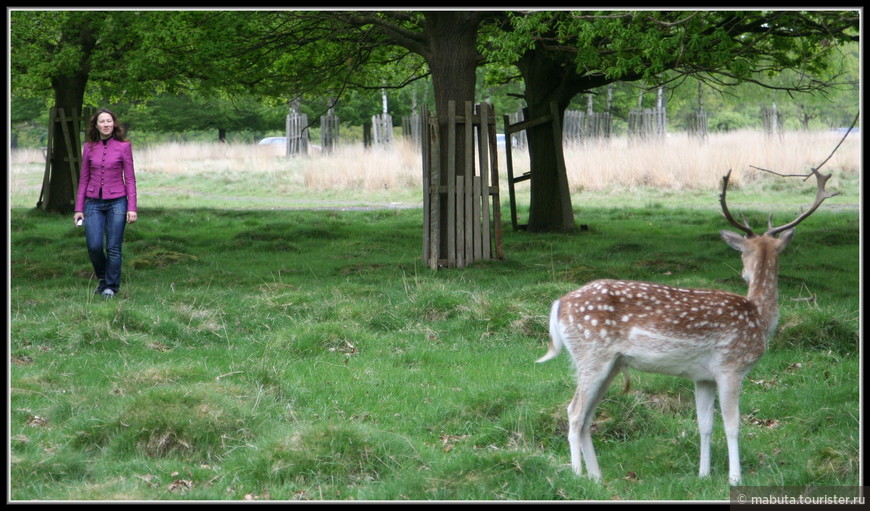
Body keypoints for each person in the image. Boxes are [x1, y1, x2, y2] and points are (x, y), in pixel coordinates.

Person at [73, 108, 138, 298]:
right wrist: (79, 208)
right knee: (94, 246)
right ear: (96, 125)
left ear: (114, 124)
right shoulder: (89, 147)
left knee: (113, 247)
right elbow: (84, 179)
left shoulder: (124, 147)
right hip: (92, 203)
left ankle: (111, 286)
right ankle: (103, 278)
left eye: (109, 121)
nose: (106, 124)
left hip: (117, 202)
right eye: (102, 121)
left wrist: (132, 207)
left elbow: (131, 179)